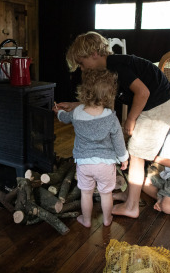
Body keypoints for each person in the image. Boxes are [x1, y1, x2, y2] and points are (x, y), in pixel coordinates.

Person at [57, 31, 170, 218]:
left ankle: (132, 207)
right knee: (134, 149)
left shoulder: (117, 66)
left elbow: (143, 93)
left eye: (81, 63)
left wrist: (131, 118)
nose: (81, 68)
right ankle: (130, 194)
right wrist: (74, 106)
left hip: (158, 105)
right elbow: (100, 102)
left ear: (94, 53)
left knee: (136, 154)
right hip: (153, 104)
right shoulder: (107, 70)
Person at [53, 68, 129, 227]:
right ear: (108, 95)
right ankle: (107, 220)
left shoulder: (76, 112)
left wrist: (57, 112)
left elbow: (64, 118)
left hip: (84, 163)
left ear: (83, 91)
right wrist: (124, 159)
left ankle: (86, 220)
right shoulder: (110, 117)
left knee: (86, 194)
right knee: (106, 194)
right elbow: (118, 141)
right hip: (105, 164)